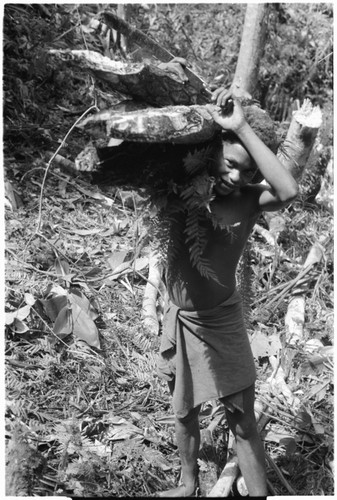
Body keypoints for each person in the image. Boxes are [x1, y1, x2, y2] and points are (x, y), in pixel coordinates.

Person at [155, 81, 298, 497]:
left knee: (242, 420)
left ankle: (257, 494)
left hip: (221, 322)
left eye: (247, 170)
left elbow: (288, 190)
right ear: (213, 150)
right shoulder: (182, 186)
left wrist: (243, 127)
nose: (235, 176)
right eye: (230, 162)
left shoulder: (250, 201)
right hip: (179, 319)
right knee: (184, 411)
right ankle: (187, 484)